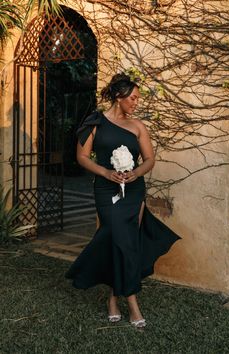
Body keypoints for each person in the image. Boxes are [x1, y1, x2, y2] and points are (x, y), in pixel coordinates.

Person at [65, 73, 181, 329]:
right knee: (119, 239)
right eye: (133, 98)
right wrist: (106, 172)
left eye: (138, 98)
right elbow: (82, 157)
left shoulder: (138, 126)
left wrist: (136, 173)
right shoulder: (94, 122)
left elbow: (149, 159)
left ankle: (113, 299)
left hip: (133, 191)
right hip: (107, 193)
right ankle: (133, 304)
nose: (136, 103)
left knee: (125, 244)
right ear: (119, 97)